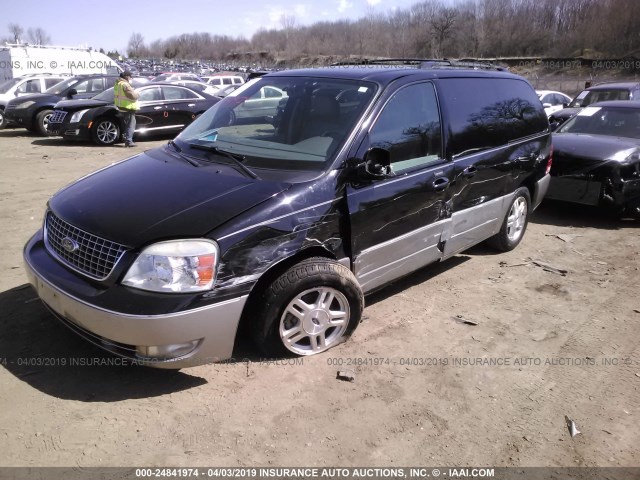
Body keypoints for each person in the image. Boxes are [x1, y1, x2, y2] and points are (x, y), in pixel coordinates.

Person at [114, 71, 139, 147]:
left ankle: (125, 138)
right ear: (126, 76)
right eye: (130, 76)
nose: (131, 78)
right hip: (128, 107)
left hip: (121, 107)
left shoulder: (118, 84)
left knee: (126, 124)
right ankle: (129, 141)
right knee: (130, 125)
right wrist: (137, 94)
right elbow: (133, 96)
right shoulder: (125, 84)